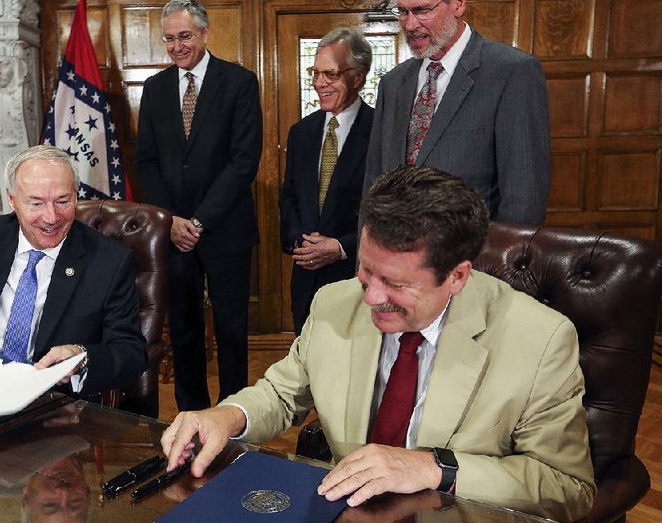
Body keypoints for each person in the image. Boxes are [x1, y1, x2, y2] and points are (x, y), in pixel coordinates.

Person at [161, 165, 595, 522]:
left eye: (396, 283)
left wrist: (433, 467)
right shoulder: (335, 301)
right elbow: (281, 392)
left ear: (458, 276)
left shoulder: (539, 340)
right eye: (367, 271)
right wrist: (228, 416)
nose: (370, 298)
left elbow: (566, 487)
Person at [0, 145, 147, 397]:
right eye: (36, 203)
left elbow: (130, 351)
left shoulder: (109, 261)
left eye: (63, 201)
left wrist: (82, 356)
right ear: (12, 200)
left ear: (76, 197)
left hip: (48, 399)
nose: (51, 217)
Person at [134, 0, 263, 411]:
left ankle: (233, 414)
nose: (177, 46)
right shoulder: (154, 90)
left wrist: (200, 220)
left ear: (205, 33)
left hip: (224, 228)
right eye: (170, 38)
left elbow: (243, 161)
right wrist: (170, 221)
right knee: (184, 329)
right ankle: (192, 413)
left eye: (184, 36)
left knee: (230, 328)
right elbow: (147, 162)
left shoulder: (239, 82)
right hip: (171, 234)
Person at [364, 0, 550, 225]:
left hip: (471, 260)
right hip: (394, 259)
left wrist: (499, 265)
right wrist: (367, 262)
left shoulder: (512, 72)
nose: (410, 25)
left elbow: (523, 199)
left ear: (459, 2)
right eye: (404, 12)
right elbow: (373, 186)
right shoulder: (392, 83)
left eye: (422, 10)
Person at [279, 27, 374, 336]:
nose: (319, 83)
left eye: (330, 75)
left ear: (357, 77)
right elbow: (290, 197)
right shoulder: (301, 132)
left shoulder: (381, 131)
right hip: (306, 280)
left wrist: (341, 247)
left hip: (358, 279)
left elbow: (389, 209)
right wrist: (301, 243)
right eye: (315, 73)